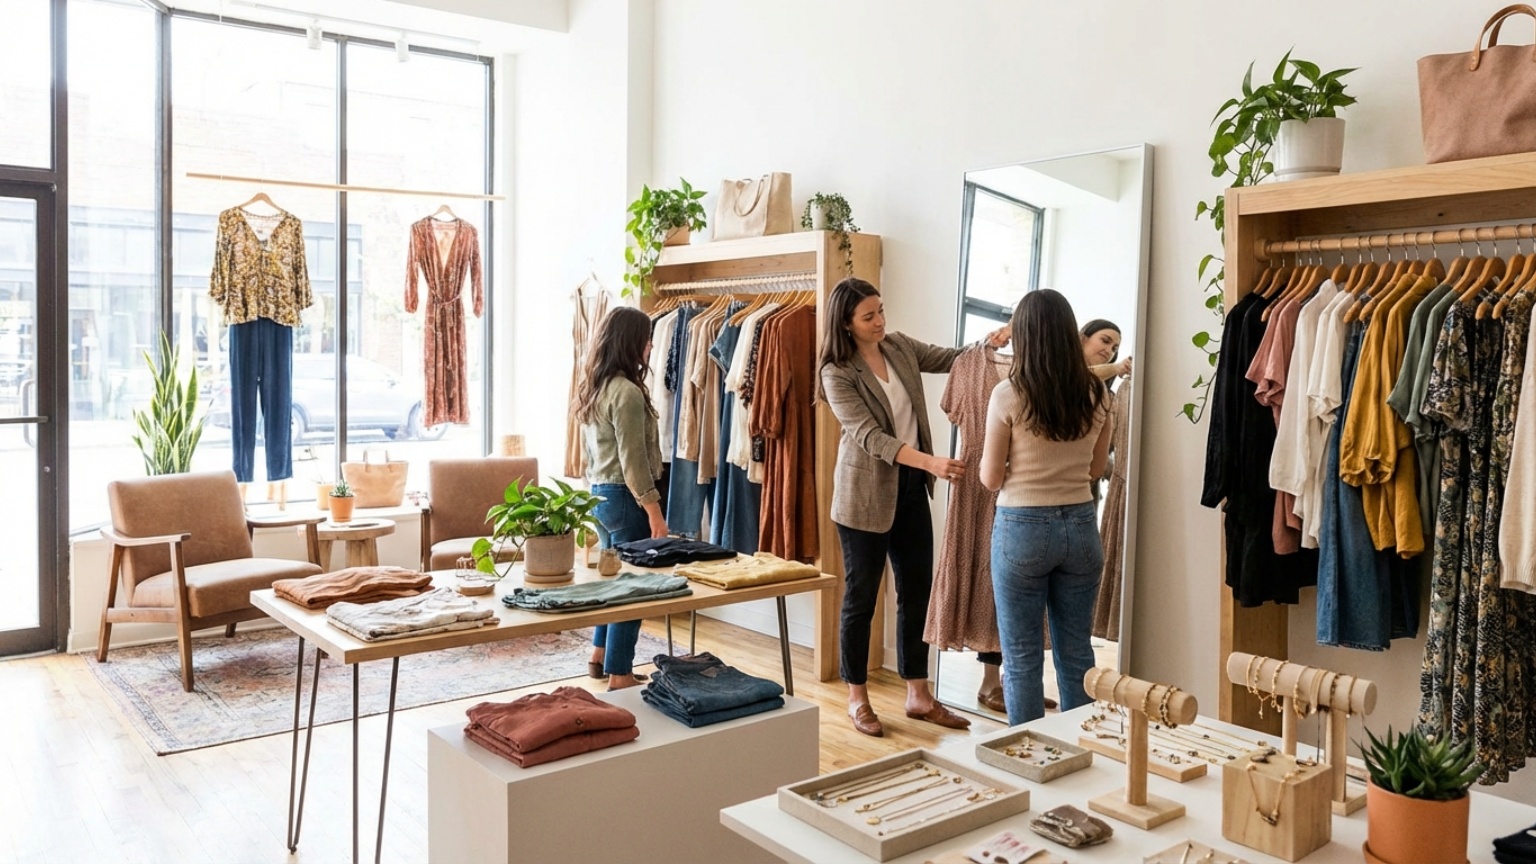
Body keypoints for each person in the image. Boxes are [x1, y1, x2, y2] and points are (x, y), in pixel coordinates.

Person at [818, 276, 1005, 737]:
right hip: (864, 496)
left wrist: (988, 342)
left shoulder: (899, 346)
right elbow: (870, 436)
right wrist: (933, 462)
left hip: (910, 489)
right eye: (869, 316)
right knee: (861, 600)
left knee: (917, 592)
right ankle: (857, 697)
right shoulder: (836, 372)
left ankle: (918, 694)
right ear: (846, 324)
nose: (880, 321)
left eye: (881, 310)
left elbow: (951, 358)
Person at [981, 289, 1112, 726]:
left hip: (1022, 526)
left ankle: (1028, 763)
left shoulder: (1008, 394)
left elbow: (990, 478)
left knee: (1020, 659)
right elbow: (1096, 468)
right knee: (1077, 656)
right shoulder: (1097, 392)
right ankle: (1084, 754)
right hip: (1080, 526)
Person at [574, 305, 669, 691]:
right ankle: (620, 673)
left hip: (600, 494)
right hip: (626, 497)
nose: (650, 347)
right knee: (634, 587)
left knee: (612, 583)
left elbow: (591, 456)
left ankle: (598, 657)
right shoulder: (627, 393)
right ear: (632, 342)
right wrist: (655, 512)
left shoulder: (595, 388)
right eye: (646, 339)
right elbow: (633, 462)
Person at [1082, 318, 1132, 384]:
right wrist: (1117, 368)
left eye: (1114, 349)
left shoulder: (1108, 393)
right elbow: (1078, 377)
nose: (1109, 351)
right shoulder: (1064, 369)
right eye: (1105, 341)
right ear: (1082, 339)